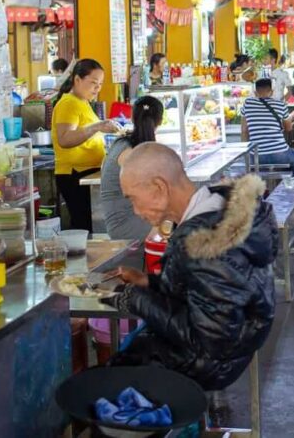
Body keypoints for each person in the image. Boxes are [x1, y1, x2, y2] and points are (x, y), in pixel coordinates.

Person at [106, 143, 277, 391]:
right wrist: (148, 283)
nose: (135, 210)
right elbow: (201, 292)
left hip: (214, 362)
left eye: (133, 198)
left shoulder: (204, 242)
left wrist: (137, 300)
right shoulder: (216, 209)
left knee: (109, 383)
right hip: (236, 342)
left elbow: (210, 340)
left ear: (159, 188)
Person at [52, 59, 120, 232]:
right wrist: (98, 126)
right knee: (84, 226)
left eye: (100, 84)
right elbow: (65, 139)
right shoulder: (68, 103)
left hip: (87, 172)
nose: (97, 88)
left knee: (91, 225)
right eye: (93, 83)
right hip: (74, 174)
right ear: (77, 80)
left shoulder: (82, 102)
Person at [100, 96, 164, 241]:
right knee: (178, 227)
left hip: (130, 217)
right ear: (160, 121)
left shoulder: (124, 142)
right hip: (124, 224)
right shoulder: (130, 152)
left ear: (133, 118)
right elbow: (148, 192)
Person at [242, 78, 294, 177]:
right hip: (280, 154)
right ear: (271, 92)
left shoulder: (248, 103)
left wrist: (246, 153)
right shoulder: (280, 104)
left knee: (255, 169)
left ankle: (261, 191)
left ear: (255, 92)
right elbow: (288, 128)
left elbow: (244, 130)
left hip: (257, 156)